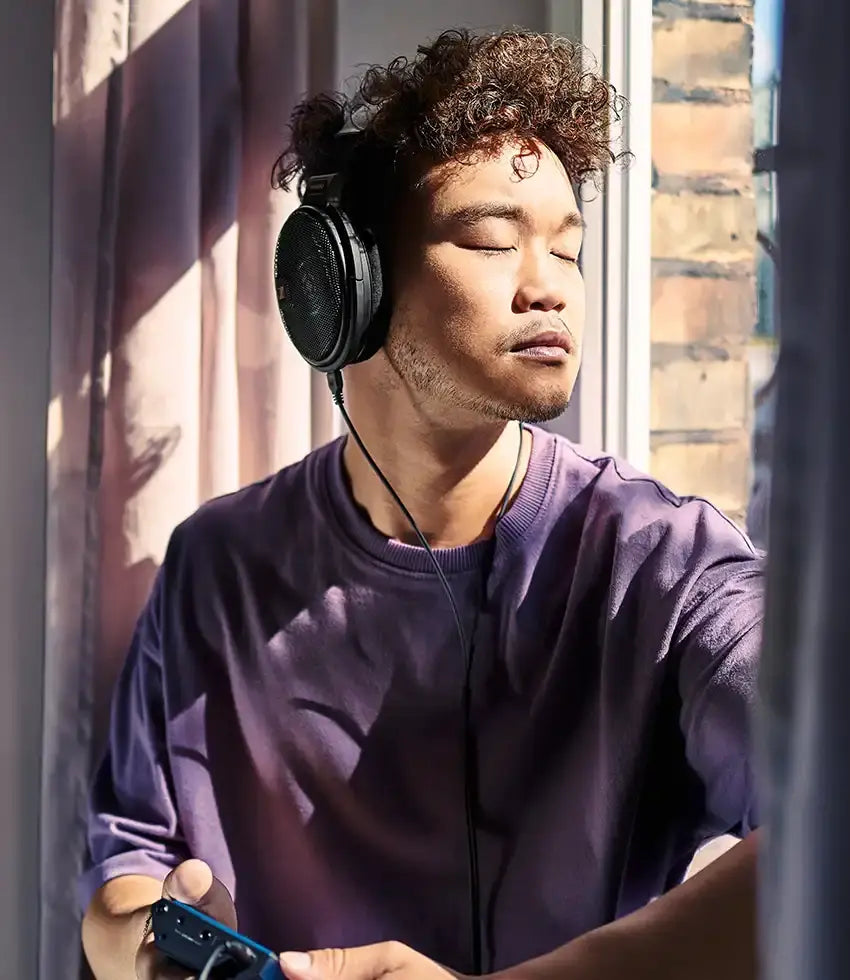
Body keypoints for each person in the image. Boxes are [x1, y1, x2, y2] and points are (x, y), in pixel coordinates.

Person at [80, 28, 763, 980]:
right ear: (342, 285)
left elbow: (831, 821)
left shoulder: (670, 566)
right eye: (491, 241)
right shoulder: (215, 563)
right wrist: (153, 945)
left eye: (568, 250)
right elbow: (123, 873)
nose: (550, 288)